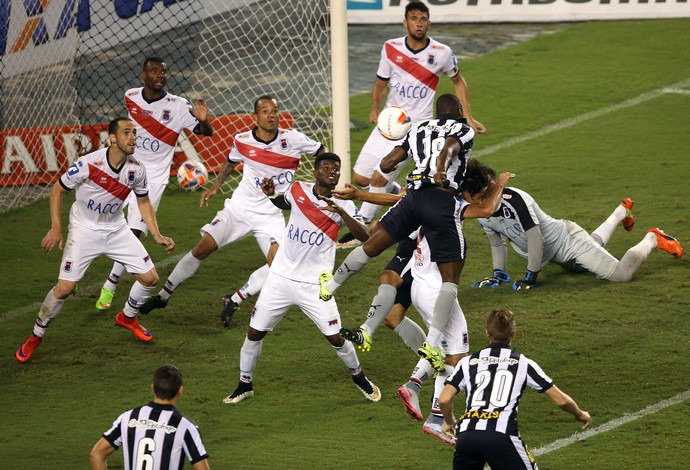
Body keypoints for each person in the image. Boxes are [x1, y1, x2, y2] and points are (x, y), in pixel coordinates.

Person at [320, 93, 474, 369]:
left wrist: (378, 175)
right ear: (459, 110)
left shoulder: (418, 128)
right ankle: (432, 341)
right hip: (441, 199)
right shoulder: (463, 128)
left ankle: (330, 287)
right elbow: (449, 148)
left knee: (372, 243)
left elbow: (388, 164)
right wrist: (439, 170)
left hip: (412, 198)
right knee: (450, 277)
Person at [139, 95, 325, 318]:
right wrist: (216, 186)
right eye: (265, 111)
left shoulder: (292, 139)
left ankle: (234, 299)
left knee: (279, 266)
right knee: (201, 249)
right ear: (256, 117)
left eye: (275, 111)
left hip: (271, 213)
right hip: (239, 209)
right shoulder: (243, 140)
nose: (271, 115)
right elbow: (230, 160)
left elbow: (321, 150)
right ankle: (163, 296)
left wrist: (321, 178)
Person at [223, 153, 381, 404]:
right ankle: (244, 384)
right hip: (280, 279)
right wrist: (273, 194)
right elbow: (285, 203)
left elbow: (364, 237)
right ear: (316, 172)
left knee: (336, 338)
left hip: (316, 285)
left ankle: (359, 376)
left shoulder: (346, 204)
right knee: (254, 333)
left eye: (336, 169)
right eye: (326, 167)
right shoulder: (298, 189)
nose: (332, 172)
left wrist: (341, 212)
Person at [15, 118, 176, 363]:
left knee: (150, 278)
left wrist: (156, 233)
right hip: (84, 229)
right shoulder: (88, 164)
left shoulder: (137, 169)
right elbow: (58, 190)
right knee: (64, 289)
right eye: (126, 133)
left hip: (116, 229)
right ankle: (35, 336)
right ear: (112, 138)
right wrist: (56, 227)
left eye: (134, 132)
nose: (133, 137)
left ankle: (127, 317)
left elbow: (143, 200)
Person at [339, 1, 486, 247]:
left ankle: (360, 227)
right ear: (405, 22)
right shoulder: (390, 48)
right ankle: (396, 191)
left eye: (423, 18)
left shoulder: (442, 52)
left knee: (378, 176)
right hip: (389, 122)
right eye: (414, 18)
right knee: (361, 178)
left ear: (429, 22)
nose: (419, 23)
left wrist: (468, 116)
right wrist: (375, 107)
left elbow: (459, 82)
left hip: (417, 128)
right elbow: (380, 83)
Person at [96, 56, 213, 311]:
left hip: (153, 178)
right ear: (143, 76)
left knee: (133, 231)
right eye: (155, 71)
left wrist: (202, 119)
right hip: (125, 168)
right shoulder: (131, 96)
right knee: (104, 220)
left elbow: (207, 133)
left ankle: (111, 283)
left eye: (164, 71)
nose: (161, 75)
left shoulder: (179, 106)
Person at [438, 309, 591, 469]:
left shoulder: (467, 362)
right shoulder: (523, 363)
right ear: (513, 334)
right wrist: (580, 414)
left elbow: (444, 399)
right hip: (500, 435)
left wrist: (449, 421)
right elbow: (561, 400)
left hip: (467, 435)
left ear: (487, 334)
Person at [471, 188, 683, 290]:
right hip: (556, 252)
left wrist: (530, 277)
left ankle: (653, 237)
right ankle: (621, 212)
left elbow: (536, 238)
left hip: (567, 240)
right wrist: (498, 274)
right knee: (589, 256)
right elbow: (496, 242)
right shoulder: (482, 213)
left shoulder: (513, 200)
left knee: (621, 274)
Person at [89, 364, 210, 470]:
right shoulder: (185, 426)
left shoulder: (127, 418)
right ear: (180, 391)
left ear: (153, 388)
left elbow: (97, 454)